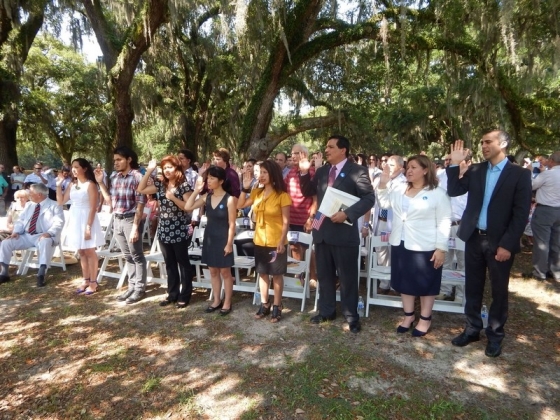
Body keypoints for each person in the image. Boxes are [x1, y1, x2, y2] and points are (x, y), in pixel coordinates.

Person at [447, 133, 532, 358]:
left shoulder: (520, 174)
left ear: (502, 144)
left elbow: (521, 214)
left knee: (498, 290)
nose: (483, 145)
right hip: (474, 237)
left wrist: (507, 244)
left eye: (488, 142)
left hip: (500, 243)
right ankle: (472, 329)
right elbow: (454, 190)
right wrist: (455, 165)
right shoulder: (477, 170)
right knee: (473, 286)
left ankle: (495, 335)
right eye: (482, 142)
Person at [299, 135, 376, 333]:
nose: (326, 150)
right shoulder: (323, 171)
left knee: (348, 277)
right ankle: (327, 311)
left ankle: (351, 315)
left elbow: (368, 198)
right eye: (326, 146)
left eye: (331, 147)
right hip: (322, 232)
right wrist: (305, 171)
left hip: (344, 233)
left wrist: (347, 214)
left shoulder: (358, 171)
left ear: (343, 150)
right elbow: (307, 190)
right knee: (324, 276)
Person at [377, 155, 452, 336]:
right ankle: (408, 316)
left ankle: (425, 318)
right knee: (404, 282)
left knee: (426, 284)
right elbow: (384, 203)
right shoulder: (400, 189)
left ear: (425, 170)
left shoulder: (438, 193)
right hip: (400, 242)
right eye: (408, 167)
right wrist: (383, 184)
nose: (408, 170)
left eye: (413, 167)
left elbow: (444, 221)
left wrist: (441, 248)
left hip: (425, 245)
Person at [239, 160, 291, 323]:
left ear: (273, 175)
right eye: (259, 172)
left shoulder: (282, 196)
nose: (260, 176)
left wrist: (282, 241)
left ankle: (277, 305)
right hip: (260, 239)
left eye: (264, 173)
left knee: (276, 275)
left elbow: (285, 222)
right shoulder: (256, 193)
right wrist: (245, 188)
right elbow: (240, 205)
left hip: (276, 241)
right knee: (262, 273)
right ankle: (264, 303)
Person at [138, 156, 194, 308]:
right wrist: (149, 171)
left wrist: (172, 198)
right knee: (170, 264)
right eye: (164, 168)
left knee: (183, 264)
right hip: (164, 230)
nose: (167, 170)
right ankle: (172, 294)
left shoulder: (184, 186)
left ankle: (185, 294)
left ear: (177, 168)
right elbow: (141, 189)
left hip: (179, 230)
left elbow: (188, 207)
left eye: (170, 167)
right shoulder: (161, 184)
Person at [96, 146, 147, 304]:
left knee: (137, 255)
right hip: (117, 218)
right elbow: (109, 200)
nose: (116, 163)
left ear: (129, 159)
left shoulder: (137, 177)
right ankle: (131, 286)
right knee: (127, 256)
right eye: (115, 160)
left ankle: (139, 288)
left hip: (131, 219)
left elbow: (140, 204)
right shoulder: (115, 177)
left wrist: (134, 228)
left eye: (119, 160)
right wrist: (101, 183)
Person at [184, 166, 236, 315]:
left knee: (225, 272)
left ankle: (227, 302)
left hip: (223, 238)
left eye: (212, 178)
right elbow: (188, 207)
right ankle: (216, 300)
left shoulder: (229, 199)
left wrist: (229, 244)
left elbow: (232, 224)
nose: (209, 181)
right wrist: (196, 190)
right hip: (209, 238)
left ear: (221, 181)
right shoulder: (206, 197)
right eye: (208, 178)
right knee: (213, 271)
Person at [0, 183, 64, 287]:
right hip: (26, 235)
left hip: (43, 235)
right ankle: (4, 273)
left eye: (31, 192)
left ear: (39, 194)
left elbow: (59, 223)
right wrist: (16, 232)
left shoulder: (54, 205)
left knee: (45, 241)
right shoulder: (29, 205)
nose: (29, 194)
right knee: (6, 243)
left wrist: (49, 233)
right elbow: (20, 220)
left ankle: (41, 273)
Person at [56, 158, 105, 294]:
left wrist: (88, 226)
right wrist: (59, 185)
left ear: (84, 169)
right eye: (72, 167)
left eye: (77, 167)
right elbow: (60, 201)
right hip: (75, 217)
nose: (74, 170)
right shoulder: (72, 184)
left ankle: (94, 281)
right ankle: (86, 279)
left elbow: (93, 207)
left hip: (87, 218)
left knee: (89, 250)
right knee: (81, 251)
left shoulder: (90, 185)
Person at [530, 150, 560, 281]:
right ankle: (556, 271)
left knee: (542, 242)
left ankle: (540, 272)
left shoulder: (549, 174)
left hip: (545, 210)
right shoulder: (548, 174)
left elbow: (532, 185)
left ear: (552, 161)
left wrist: (530, 171)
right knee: (556, 242)